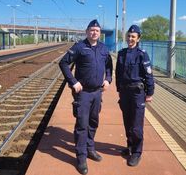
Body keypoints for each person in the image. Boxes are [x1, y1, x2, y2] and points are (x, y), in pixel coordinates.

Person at [59, 19, 113, 175]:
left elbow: (109, 66)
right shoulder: (79, 47)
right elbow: (63, 63)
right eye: (91, 30)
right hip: (82, 93)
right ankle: (81, 157)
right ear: (87, 31)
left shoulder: (104, 48)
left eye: (97, 30)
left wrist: (108, 79)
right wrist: (73, 81)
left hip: (97, 92)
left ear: (100, 33)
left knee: (93, 122)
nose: (94, 32)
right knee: (82, 125)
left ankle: (90, 149)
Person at [115, 24, 154, 167]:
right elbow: (118, 73)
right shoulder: (121, 53)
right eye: (129, 36)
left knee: (136, 125)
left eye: (133, 37)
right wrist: (119, 89)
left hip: (137, 93)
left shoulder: (142, 54)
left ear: (138, 39)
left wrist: (150, 93)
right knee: (127, 121)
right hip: (125, 93)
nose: (130, 38)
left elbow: (149, 75)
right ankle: (130, 146)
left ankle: (137, 152)